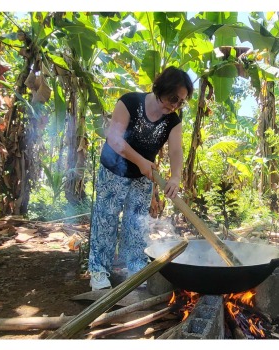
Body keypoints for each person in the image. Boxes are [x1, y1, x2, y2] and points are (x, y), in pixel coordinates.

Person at [88, 66, 193, 290]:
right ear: (161, 88)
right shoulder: (130, 102)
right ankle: (98, 270)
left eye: (180, 101)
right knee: (105, 220)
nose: (174, 105)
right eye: (173, 98)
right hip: (113, 170)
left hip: (143, 176)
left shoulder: (172, 120)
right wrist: (141, 161)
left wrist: (175, 177)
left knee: (136, 224)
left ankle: (134, 269)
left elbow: (176, 151)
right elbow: (115, 140)